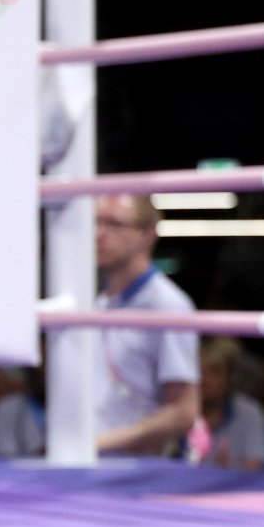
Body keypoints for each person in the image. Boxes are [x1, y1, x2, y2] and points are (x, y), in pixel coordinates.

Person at [92, 193, 199, 456]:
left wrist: (104, 442)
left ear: (147, 235)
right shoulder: (99, 304)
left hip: (143, 471)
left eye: (114, 224)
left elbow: (183, 413)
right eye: (95, 223)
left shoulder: (168, 306)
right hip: (94, 464)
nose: (99, 234)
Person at [188, 337, 264, 471]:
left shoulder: (248, 412)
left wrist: (222, 477)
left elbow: (254, 467)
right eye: (199, 371)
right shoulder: (177, 413)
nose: (205, 379)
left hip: (234, 490)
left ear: (230, 376)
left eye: (215, 371)